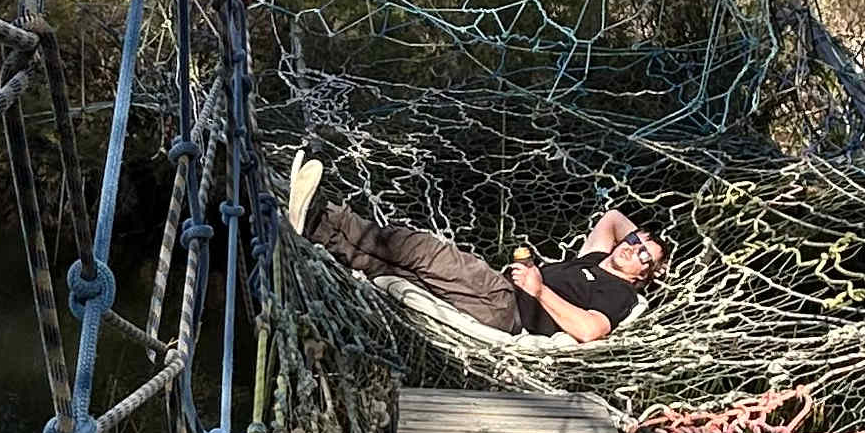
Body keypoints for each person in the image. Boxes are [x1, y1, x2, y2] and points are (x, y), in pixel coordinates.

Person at [285, 154, 667, 341]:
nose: (634, 247)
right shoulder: (599, 257)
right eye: (636, 240)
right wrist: (651, 248)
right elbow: (613, 218)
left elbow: (590, 330)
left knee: (423, 251)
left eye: (643, 256)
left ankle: (326, 217)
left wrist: (539, 290)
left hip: (507, 307)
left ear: (642, 277)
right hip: (497, 294)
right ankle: (317, 230)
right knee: (400, 272)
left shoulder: (620, 294)